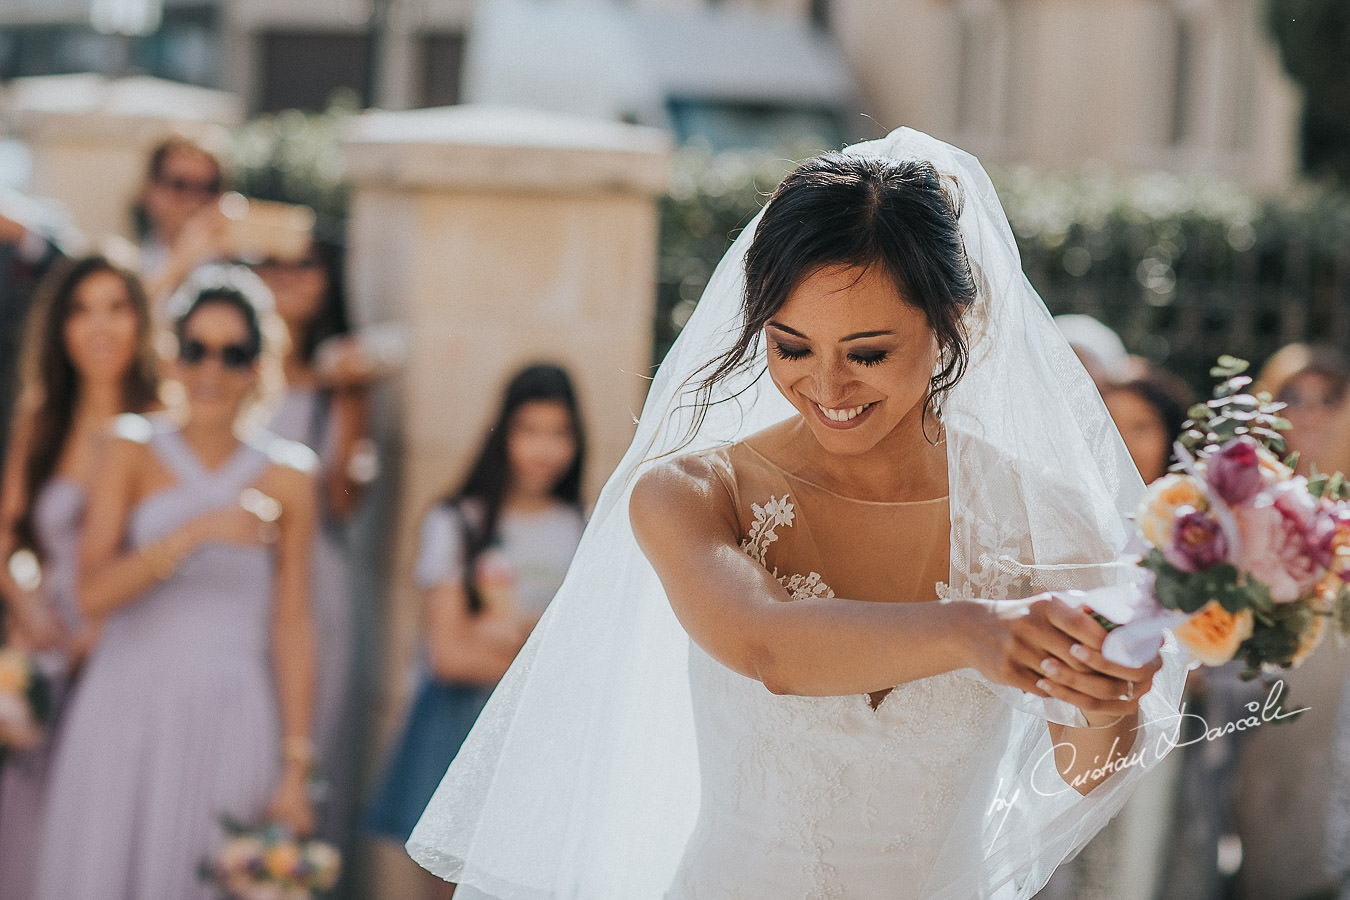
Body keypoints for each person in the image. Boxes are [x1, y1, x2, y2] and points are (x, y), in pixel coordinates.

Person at [406, 128, 1185, 898]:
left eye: (868, 352)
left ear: (958, 322)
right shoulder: (691, 492)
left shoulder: (1040, 514)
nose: (828, 386)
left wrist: (1104, 689)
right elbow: (766, 646)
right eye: (791, 347)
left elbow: (1088, 772)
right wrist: (970, 630)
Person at [32, 266, 319, 900]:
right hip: (124, 704)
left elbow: (293, 624)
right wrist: (194, 534)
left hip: (234, 713)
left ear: (257, 365)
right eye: (196, 349)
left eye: (232, 352)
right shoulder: (130, 447)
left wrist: (297, 765)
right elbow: (93, 592)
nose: (211, 370)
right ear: (172, 355)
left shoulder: (291, 476)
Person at [368, 362, 586, 898]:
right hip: (455, 727)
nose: (543, 449)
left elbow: (584, 651)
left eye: (559, 433)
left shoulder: (581, 529)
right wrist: (541, 646)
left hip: (542, 739)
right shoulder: (456, 522)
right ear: (503, 432)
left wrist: (507, 634)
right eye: (529, 430)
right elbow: (450, 655)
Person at [0, 256, 159, 900]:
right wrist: (28, 602)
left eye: (116, 307)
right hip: (45, 655)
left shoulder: (165, 422)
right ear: (59, 325)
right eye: (81, 309)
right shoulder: (44, 420)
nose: (99, 326)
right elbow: (10, 538)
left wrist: (98, 630)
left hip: (133, 650)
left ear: (140, 321)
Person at [251, 239, 375, 864]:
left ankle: (284, 870)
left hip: (315, 578)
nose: (288, 275)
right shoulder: (217, 366)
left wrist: (352, 397)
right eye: (272, 260)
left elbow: (345, 500)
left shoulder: (344, 382)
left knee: (308, 731)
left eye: (305, 263)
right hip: (236, 573)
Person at [135, 135, 231, 305]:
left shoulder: (240, 262)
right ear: (150, 191)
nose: (194, 199)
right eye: (179, 184)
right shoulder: (132, 263)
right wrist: (182, 259)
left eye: (209, 187)